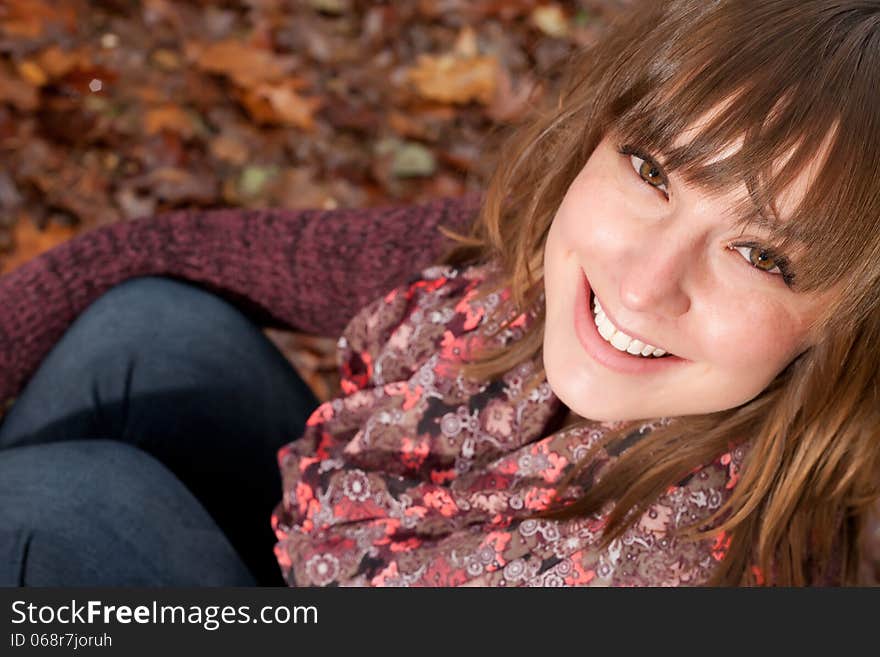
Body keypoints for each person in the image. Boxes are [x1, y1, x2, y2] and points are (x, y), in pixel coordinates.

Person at [2, 0, 879, 586]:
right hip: (348, 555)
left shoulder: (707, 573)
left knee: (68, 510)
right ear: (591, 138)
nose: (645, 282)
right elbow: (152, 249)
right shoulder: (515, 253)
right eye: (652, 171)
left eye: (764, 256)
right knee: (154, 330)